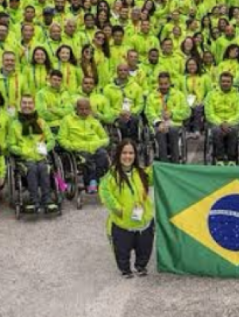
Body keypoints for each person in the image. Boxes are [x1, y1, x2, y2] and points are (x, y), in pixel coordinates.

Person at [99, 139, 154, 278]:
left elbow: (157, 176)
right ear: (118, 154)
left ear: (135, 155)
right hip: (122, 223)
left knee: (145, 248)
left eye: (131, 153)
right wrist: (118, 209)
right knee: (122, 251)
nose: (127, 156)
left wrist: (161, 168)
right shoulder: (111, 176)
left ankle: (140, 266)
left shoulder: (141, 173)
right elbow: (105, 192)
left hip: (144, 220)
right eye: (124, 153)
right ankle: (125, 269)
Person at [8, 95, 58, 213]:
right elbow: (11, 144)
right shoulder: (15, 124)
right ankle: (34, 200)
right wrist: (22, 151)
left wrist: (45, 148)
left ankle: (47, 200)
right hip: (25, 159)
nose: (27, 105)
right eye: (24, 103)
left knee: (44, 167)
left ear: (34, 105)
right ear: (20, 106)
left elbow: (51, 140)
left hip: (41, 156)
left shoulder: (41, 122)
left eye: (30, 103)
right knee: (31, 168)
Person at [57, 98, 109, 194]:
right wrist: (72, 146)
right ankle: (91, 183)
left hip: (95, 147)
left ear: (90, 109)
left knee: (103, 155)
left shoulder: (94, 121)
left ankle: (95, 181)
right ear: (76, 109)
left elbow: (106, 139)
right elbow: (61, 139)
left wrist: (95, 144)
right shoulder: (67, 120)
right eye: (81, 109)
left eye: (86, 109)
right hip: (78, 149)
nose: (84, 111)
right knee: (86, 159)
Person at [144, 72, 190, 163]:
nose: (163, 86)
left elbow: (187, 111)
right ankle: (164, 163)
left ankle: (175, 162)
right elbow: (149, 112)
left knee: (173, 130)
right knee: (160, 132)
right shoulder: (152, 96)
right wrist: (158, 123)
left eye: (166, 84)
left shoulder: (179, 95)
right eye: (161, 84)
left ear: (170, 83)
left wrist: (173, 114)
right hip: (158, 125)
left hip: (174, 124)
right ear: (158, 83)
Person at [204, 72, 239, 165]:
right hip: (217, 122)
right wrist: (221, 123)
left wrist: (228, 123)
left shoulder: (238, 96)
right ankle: (220, 159)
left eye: (228, 81)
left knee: (234, 130)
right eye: (223, 81)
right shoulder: (211, 95)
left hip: (232, 122)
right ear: (219, 82)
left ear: (232, 83)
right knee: (216, 131)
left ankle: (232, 159)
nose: (225, 83)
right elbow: (209, 113)